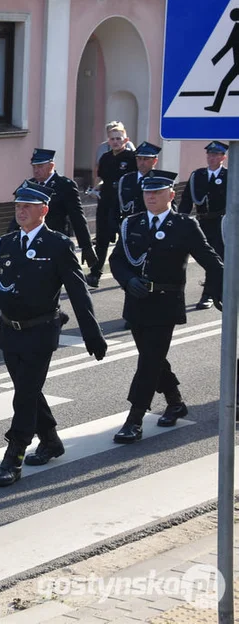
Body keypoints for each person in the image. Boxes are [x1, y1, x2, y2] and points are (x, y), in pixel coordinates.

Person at [0, 182, 108, 487]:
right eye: (18, 206)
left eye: (28, 207)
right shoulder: (6, 243)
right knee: (29, 390)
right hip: (10, 332)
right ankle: (50, 440)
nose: (21, 211)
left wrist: (92, 333)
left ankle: (14, 456)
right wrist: (2, 300)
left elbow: (78, 291)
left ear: (44, 211)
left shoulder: (58, 245)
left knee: (24, 395)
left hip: (40, 331)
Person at [109, 171, 223, 444]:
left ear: (171, 195)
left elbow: (211, 260)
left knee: (148, 360)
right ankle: (175, 401)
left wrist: (222, 292)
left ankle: (134, 419)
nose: (151, 197)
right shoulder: (132, 223)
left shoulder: (184, 225)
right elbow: (117, 261)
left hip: (165, 303)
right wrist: (128, 280)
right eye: (147, 192)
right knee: (153, 357)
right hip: (137, 303)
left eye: (157, 192)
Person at [7, 148, 97, 272]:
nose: (36, 170)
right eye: (34, 167)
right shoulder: (29, 186)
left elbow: (77, 217)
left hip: (54, 241)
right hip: (30, 242)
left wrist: (86, 246)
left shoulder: (64, 185)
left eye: (40, 166)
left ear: (51, 165)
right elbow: (18, 216)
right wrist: (8, 239)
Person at [87, 122, 138, 288]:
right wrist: (96, 188)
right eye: (112, 139)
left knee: (125, 238)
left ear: (126, 140)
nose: (115, 142)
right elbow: (101, 177)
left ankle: (130, 271)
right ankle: (96, 273)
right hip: (106, 200)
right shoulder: (106, 158)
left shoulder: (131, 158)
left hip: (124, 203)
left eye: (118, 138)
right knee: (101, 239)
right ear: (108, 141)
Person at [178, 141, 228, 309]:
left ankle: (208, 294)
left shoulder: (229, 176)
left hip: (221, 223)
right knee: (200, 256)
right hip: (201, 222)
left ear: (223, 157)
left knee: (216, 257)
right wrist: (181, 219)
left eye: (216, 155)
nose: (212, 158)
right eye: (210, 154)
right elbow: (186, 200)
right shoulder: (197, 175)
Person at [116, 141, 162, 224]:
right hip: (130, 224)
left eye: (146, 159)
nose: (142, 162)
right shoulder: (126, 179)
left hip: (152, 224)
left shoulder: (160, 180)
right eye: (139, 159)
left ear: (155, 161)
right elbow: (119, 205)